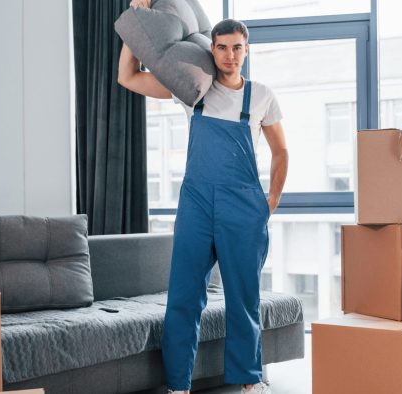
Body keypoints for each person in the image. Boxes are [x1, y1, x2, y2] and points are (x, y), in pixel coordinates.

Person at [118, 2, 288, 393]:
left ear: (246, 50)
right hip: (196, 205)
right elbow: (127, 77)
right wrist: (135, 21)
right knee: (183, 296)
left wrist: (270, 201)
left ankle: (249, 381)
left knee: (243, 298)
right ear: (211, 49)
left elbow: (281, 152)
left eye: (237, 48)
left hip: (244, 208)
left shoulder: (261, 96)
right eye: (222, 47)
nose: (230, 56)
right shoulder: (191, 89)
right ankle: (178, 385)